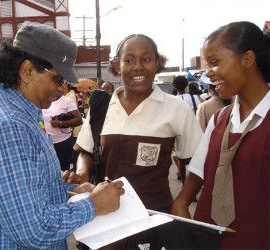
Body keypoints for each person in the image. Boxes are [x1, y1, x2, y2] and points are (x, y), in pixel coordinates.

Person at [0, 22, 124, 249]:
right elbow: (33, 229)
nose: (63, 89)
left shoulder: (13, 110)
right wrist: (93, 205)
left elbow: (16, 194)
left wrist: (67, 192)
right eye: (58, 79)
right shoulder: (7, 125)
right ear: (28, 71)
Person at [65, 33, 203, 249]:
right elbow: (86, 151)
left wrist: (182, 200)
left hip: (153, 219)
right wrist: (82, 172)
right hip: (104, 221)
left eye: (146, 59)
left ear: (158, 63)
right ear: (116, 65)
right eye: (128, 60)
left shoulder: (176, 109)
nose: (138, 67)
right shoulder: (101, 108)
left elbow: (197, 162)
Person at [172, 21, 270, 249]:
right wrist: (182, 200)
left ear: (247, 59)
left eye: (215, 63)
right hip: (209, 239)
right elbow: (198, 170)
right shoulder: (219, 119)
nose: (208, 72)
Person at [42, 90, 83, 171]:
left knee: (63, 170)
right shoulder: (42, 100)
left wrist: (60, 123)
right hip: (45, 142)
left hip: (62, 143)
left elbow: (79, 120)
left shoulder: (66, 101)